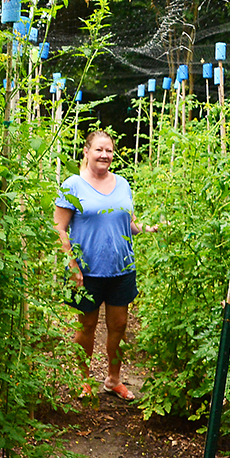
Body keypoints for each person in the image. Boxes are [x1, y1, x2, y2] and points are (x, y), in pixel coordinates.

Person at [54, 130, 158, 401]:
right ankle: (83, 379)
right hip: (86, 270)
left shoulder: (123, 183)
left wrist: (149, 228)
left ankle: (113, 379)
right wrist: (72, 263)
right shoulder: (73, 185)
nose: (105, 155)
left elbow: (130, 224)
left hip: (121, 268)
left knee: (119, 326)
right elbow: (59, 227)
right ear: (87, 151)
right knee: (86, 326)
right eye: (99, 150)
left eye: (109, 151)